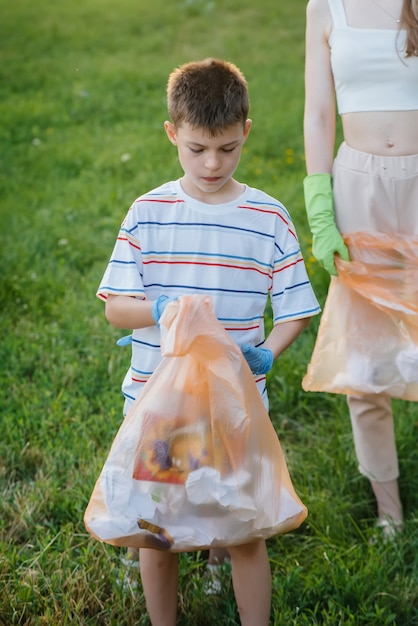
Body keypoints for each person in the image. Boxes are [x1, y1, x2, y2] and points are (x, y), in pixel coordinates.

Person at [97, 57, 320, 625]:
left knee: (243, 529)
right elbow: (116, 309)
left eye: (226, 147)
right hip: (160, 406)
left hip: (232, 407)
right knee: (157, 529)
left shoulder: (268, 217)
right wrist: (162, 308)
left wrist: (268, 350)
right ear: (172, 133)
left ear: (246, 130)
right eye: (197, 149)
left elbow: (296, 308)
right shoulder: (148, 214)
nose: (212, 163)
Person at [303, 0, 418, 536]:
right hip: (356, 188)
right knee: (366, 361)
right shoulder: (324, 8)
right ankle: (389, 508)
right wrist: (320, 208)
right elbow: (319, 112)